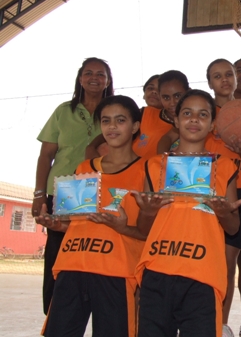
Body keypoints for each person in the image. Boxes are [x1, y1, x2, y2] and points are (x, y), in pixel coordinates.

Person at [36, 95, 150, 336]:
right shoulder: (84, 168)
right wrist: (55, 223)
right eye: (106, 120)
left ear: (135, 127)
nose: (112, 126)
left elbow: (148, 232)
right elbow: (74, 223)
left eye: (120, 120)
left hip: (116, 272)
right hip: (72, 265)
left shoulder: (148, 170)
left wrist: (122, 227)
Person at [135, 89, 241, 337]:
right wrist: (148, 212)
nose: (194, 119)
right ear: (176, 120)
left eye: (202, 114)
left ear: (212, 125)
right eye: (187, 113)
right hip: (157, 272)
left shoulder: (225, 167)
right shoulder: (154, 166)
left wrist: (223, 212)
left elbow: (233, 227)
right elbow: (143, 229)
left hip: (203, 276)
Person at [32, 57, 114, 315]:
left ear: (108, 80)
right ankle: (55, 316)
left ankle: (97, 314)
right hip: (63, 191)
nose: (94, 78)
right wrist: (38, 194)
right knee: (59, 254)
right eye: (88, 73)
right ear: (80, 78)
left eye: (100, 74)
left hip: (101, 191)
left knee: (97, 252)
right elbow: (46, 156)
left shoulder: (114, 112)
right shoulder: (63, 111)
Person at [203, 59, 241, 337]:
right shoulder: (203, 112)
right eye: (217, 76)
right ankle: (215, 322)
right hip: (209, 192)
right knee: (220, 262)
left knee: (240, 261)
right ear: (209, 82)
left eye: (229, 74)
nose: (224, 80)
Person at [156, 70, 191, 154]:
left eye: (177, 96)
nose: (172, 103)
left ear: (189, 92)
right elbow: (167, 138)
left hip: (204, 162)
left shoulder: (196, 114)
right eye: (166, 98)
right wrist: (162, 161)